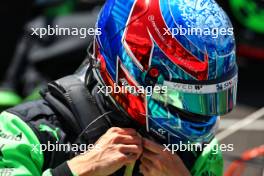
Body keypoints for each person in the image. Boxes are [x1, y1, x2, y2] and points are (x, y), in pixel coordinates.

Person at [0, 0, 238, 175]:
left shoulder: (199, 152)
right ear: (128, 72)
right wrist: (79, 169)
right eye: (186, 98)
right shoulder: (23, 133)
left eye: (210, 98)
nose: (201, 113)